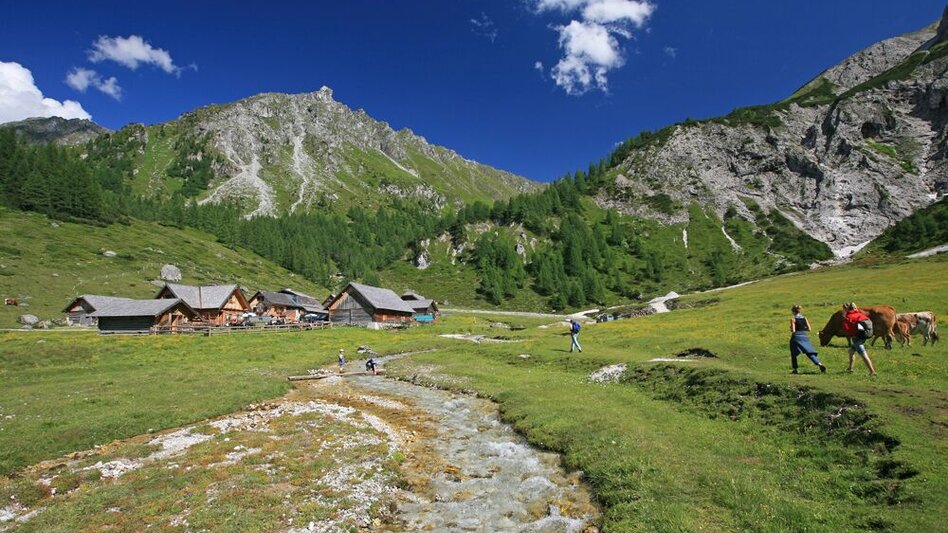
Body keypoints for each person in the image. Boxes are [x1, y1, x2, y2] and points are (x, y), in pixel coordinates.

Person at [842, 303, 877, 376]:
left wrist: (851, 334)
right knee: (851, 351)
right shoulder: (860, 314)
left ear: (846, 309)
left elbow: (847, 329)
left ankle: (872, 372)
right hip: (864, 335)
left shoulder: (848, 317)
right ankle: (850, 368)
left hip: (857, 337)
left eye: (843, 309)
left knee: (863, 354)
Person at [789, 305, 826, 374]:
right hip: (804, 336)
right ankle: (819, 364)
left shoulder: (793, 319)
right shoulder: (804, 318)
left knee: (793, 353)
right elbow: (809, 329)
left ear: (793, 311)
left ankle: (795, 369)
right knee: (809, 352)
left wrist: (791, 327)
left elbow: (793, 330)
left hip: (796, 337)